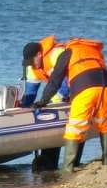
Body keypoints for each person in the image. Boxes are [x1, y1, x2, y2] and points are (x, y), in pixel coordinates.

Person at [32, 38, 107, 173]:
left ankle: (67, 167)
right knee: (104, 122)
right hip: (106, 85)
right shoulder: (92, 50)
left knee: (74, 127)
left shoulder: (68, 52)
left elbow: (55, 81)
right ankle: (106, 159)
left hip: (85, 86)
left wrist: (43, 101)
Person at [21, 36, 70, 171]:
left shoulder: (56, 54)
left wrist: (52, 101)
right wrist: (23, 109)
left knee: (57, 115)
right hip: (56, 90)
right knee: (46, 112)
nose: (31, 64)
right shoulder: (32, 67)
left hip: (75, 86)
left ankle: (72, 162)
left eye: (32, 60)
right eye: (28, 62)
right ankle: (49, 165)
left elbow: (65, 80)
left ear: (39, 54)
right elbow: (30, 93)